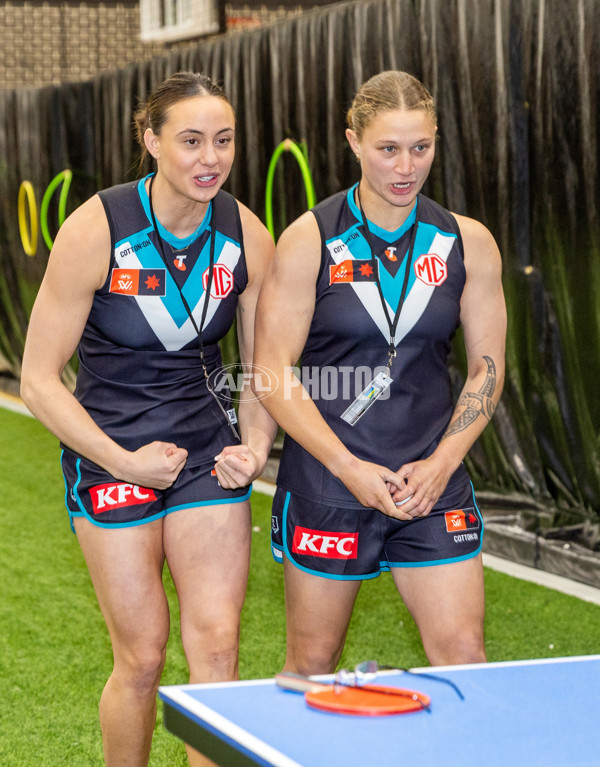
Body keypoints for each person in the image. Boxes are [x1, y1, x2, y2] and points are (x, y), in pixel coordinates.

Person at [20, 71, 276, 766]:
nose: (210, 158)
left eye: (223, 141)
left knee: (217, 647)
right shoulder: (96, 228)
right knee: (141, 655)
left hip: (206, 457)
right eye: (191, 141)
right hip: (113, 457)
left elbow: (264, 370)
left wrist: (254, 447)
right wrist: (123, 459)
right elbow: (39, 381)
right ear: (151, 142)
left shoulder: (247, 233)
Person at [253, 70, 506, 676]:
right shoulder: (308, 240)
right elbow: (270, 371)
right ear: (353, 142)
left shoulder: (467, 242)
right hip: (330, 482)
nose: (405, 166)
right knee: (313, 664)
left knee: (465, 658)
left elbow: (487, 369)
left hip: (430, 479)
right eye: (388, 149)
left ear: (437, 140)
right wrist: (349, 469)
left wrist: (442, 463)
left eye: (420, 148)